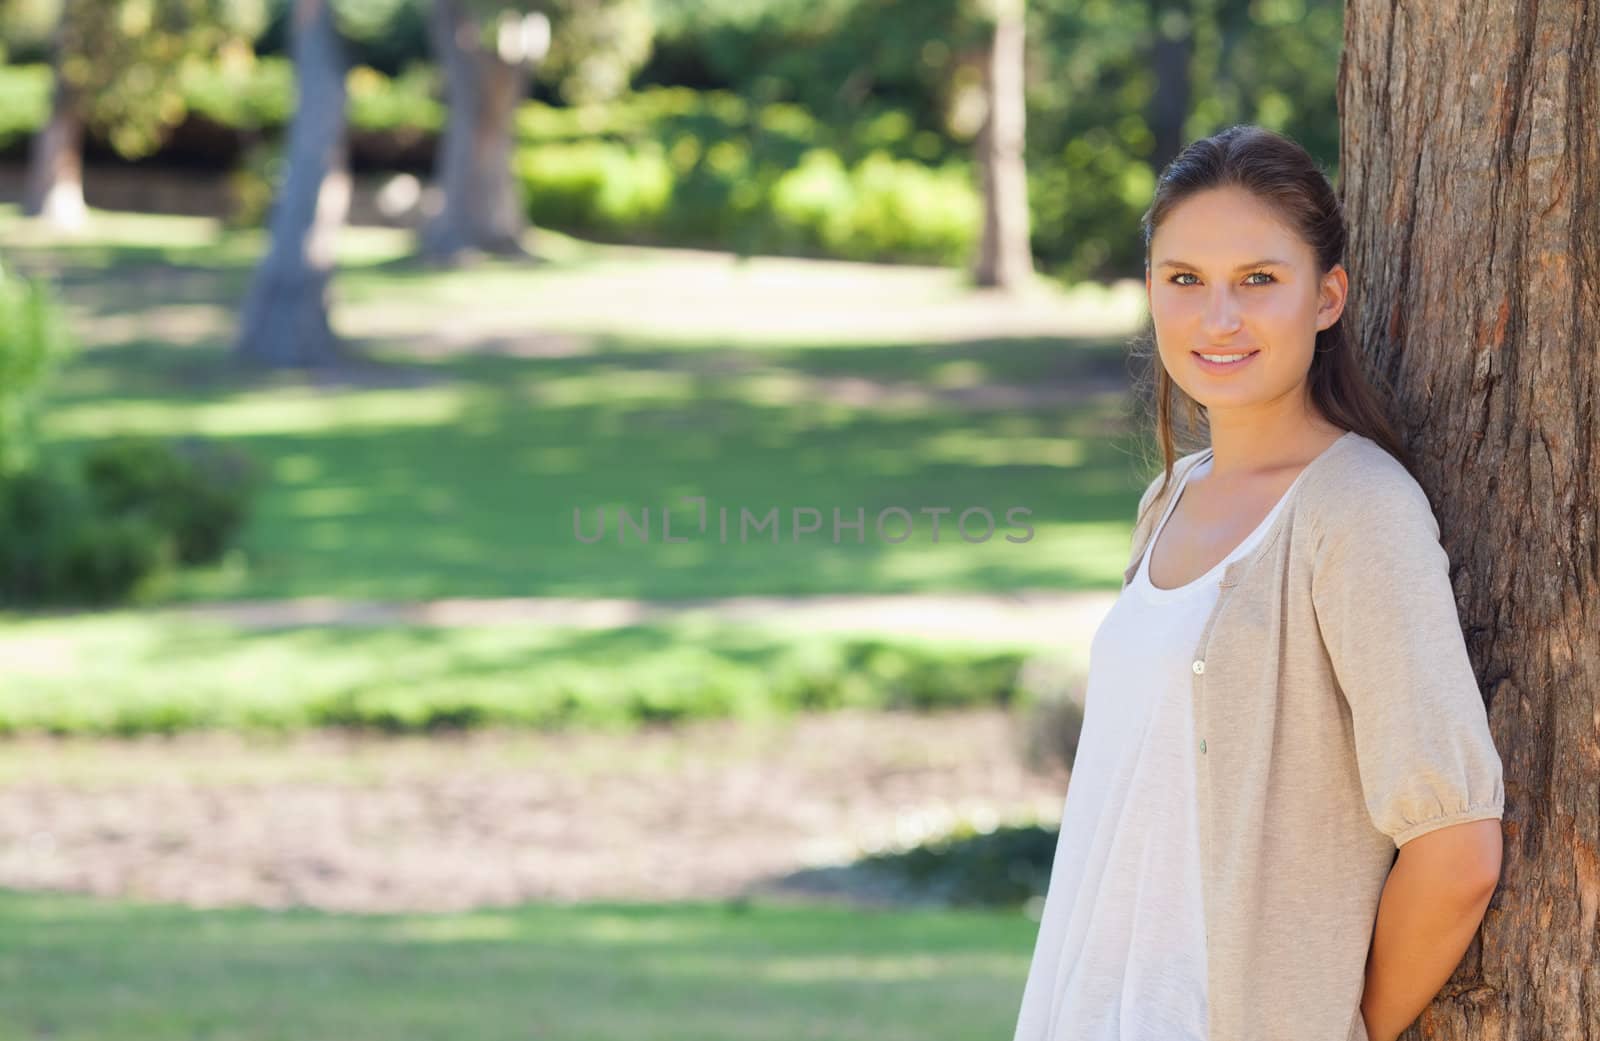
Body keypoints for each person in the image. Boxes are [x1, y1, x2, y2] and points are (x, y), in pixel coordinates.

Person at [1009, 125, 1506, 1041]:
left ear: (1327, 297)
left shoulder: (1356, 511)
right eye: (1185, 278)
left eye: (1259, 280)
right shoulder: (1171, 496)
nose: (1218, 318)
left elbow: (1457, 846)